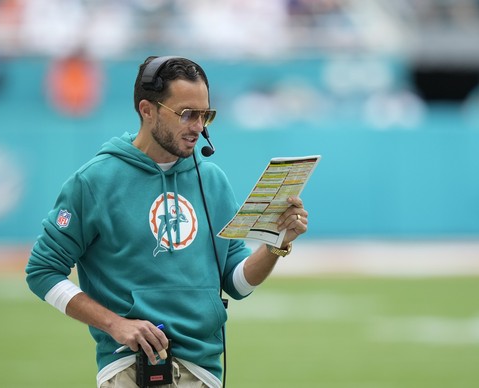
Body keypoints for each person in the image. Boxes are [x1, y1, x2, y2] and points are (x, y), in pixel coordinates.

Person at [25, 55, 309, 388]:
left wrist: (276, 243)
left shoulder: (213, 180)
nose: (199, 127)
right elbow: (42, 271)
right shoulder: (95, 181)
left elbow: (236, 282)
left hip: (205, 372)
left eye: (205, 115)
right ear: (147, 110)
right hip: (130, 367)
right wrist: (115, 324)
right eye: (187, 114)